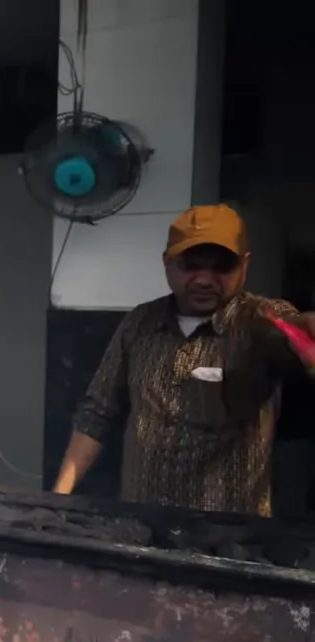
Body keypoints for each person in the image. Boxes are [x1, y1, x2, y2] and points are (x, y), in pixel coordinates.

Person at [52, 204, 315, 516]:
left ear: (245, 265)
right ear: (167, 263)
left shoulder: (261, 323)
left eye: (222, 266)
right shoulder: (140, 323)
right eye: (191, 264)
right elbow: (97, 411)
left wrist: (306, 334)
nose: (204, 279)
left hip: (227, 532)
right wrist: (58, 498)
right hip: (141, 521)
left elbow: (298, 327)